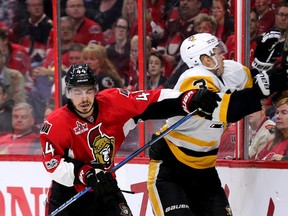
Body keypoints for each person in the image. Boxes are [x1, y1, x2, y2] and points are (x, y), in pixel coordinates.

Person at [39, 63, 222, 215]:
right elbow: (53, 164)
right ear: (68, 93)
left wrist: (187, 99)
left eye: (88, 91)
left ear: (96, 90)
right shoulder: (55, 124)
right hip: (69, 194)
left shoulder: (114, 102)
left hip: (105, 188)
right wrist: (86, 174)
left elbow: (152, 100)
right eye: (78, 92)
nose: (84, 98)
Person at [147, 33, 288, 215]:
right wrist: (264, 86)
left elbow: (254, 85)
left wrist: (265, 66)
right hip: (171, 170)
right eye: (217, 52)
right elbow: (227, 109)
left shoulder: (229, 71)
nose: (222, 55)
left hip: (205, 172)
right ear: (206, 60)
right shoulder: (193, 78)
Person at [255, 94, 288, 160]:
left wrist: (283, 159)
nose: (277, 116)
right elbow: (258, 160)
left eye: (284, 113)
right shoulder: (273, 142)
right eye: (277, 112)